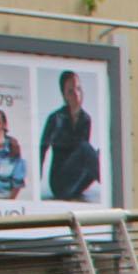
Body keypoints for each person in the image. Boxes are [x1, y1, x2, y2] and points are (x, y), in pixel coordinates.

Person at [40, 71, 100, 201]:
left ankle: (111, 190)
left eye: (78, 89)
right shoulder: (55, 118)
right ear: (64, 95)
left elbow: (85, 159)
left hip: (76, 184)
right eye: (71, 91)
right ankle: (110, 185)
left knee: (100, 154)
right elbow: (42, 149)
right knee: (84, 148)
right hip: (60, 184)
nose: (76, 94)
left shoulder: (86, 119)